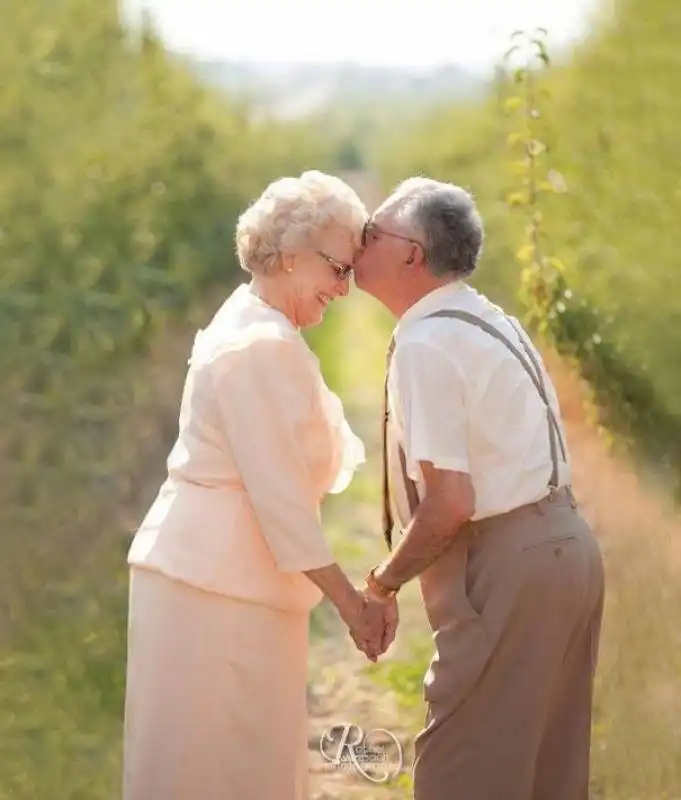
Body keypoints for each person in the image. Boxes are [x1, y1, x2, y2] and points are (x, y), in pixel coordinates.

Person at [123, 170, 394, 800]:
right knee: (223, 763)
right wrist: (353, 605)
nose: (345, 288)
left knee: (231, 759)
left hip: (223, 576)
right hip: (216, 583)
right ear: (292, 255)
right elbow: (280, 503)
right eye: (338, 267)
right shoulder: (261, 345)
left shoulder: (254, 319)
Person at [354, 177, 605, 800]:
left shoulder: (425, 342)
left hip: (509, 564)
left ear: (411, 252)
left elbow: (451, 502)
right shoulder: (490, 319)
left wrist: (382, 584)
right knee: (547, 773)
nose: (360, 243)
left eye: (372, 232)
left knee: (461, 773)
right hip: (567, 547)